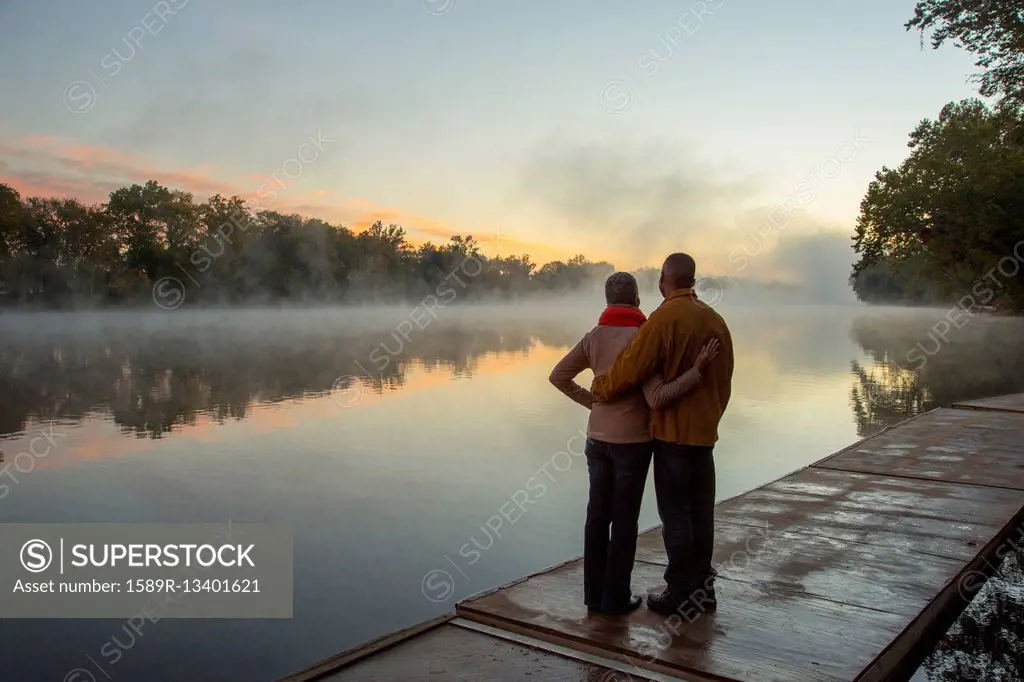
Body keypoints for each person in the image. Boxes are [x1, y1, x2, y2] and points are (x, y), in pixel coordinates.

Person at [549, 271, 720, 615]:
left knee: (596, 516)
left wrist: (593, 403)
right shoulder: (645, 337)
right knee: (624, 520)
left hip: (596, 439)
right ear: (637, 300)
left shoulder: (594, 337)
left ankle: (593, 597)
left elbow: (559, 376)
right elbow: (658, 396)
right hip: (634, 443)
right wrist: (697, 371)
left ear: (608, 301)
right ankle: (616, 597)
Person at [590, 253, 734, 617]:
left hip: (672, 435)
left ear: (662, 280)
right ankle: (704, 590)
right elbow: (725, 382)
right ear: (693, 280)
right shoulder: (716, 321)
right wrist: (711, 418)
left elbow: (631, 367)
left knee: (676, 516)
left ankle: (680, 592)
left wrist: (600, 389)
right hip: (704, 435)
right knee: (702, 515)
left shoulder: (662, 320)